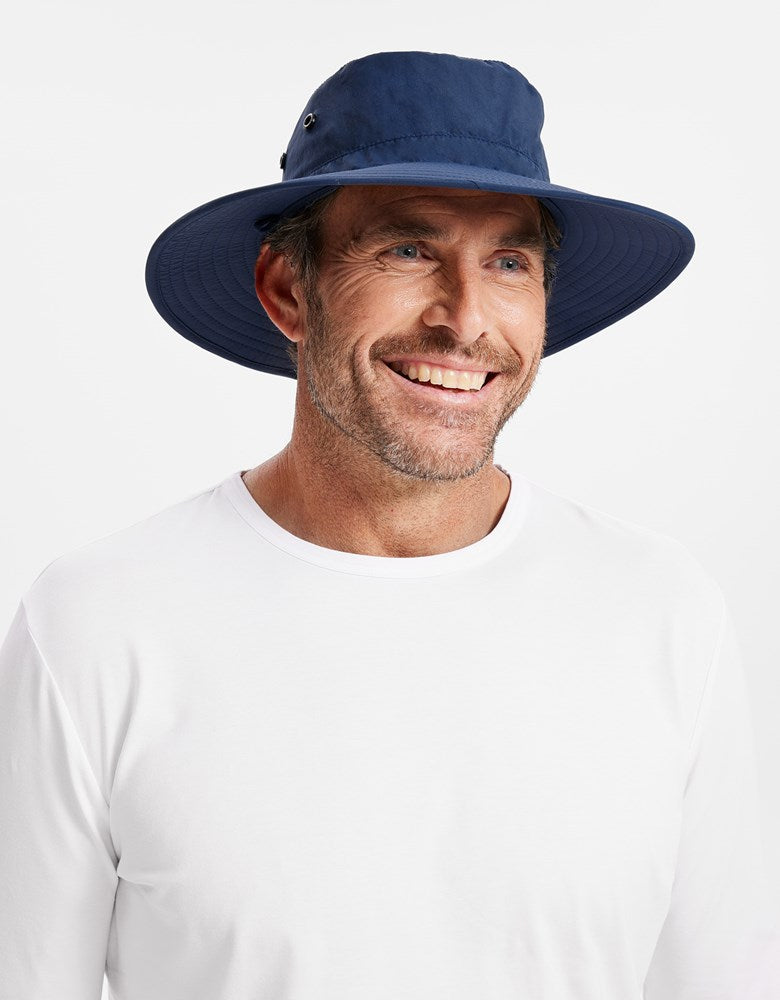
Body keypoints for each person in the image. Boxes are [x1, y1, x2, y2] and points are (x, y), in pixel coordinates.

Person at [0, 50, 777, 1000]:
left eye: (508, 262)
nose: (465, 320)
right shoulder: (98, 624)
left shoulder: (662, 614)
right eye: (408, 251)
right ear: (288, 290)